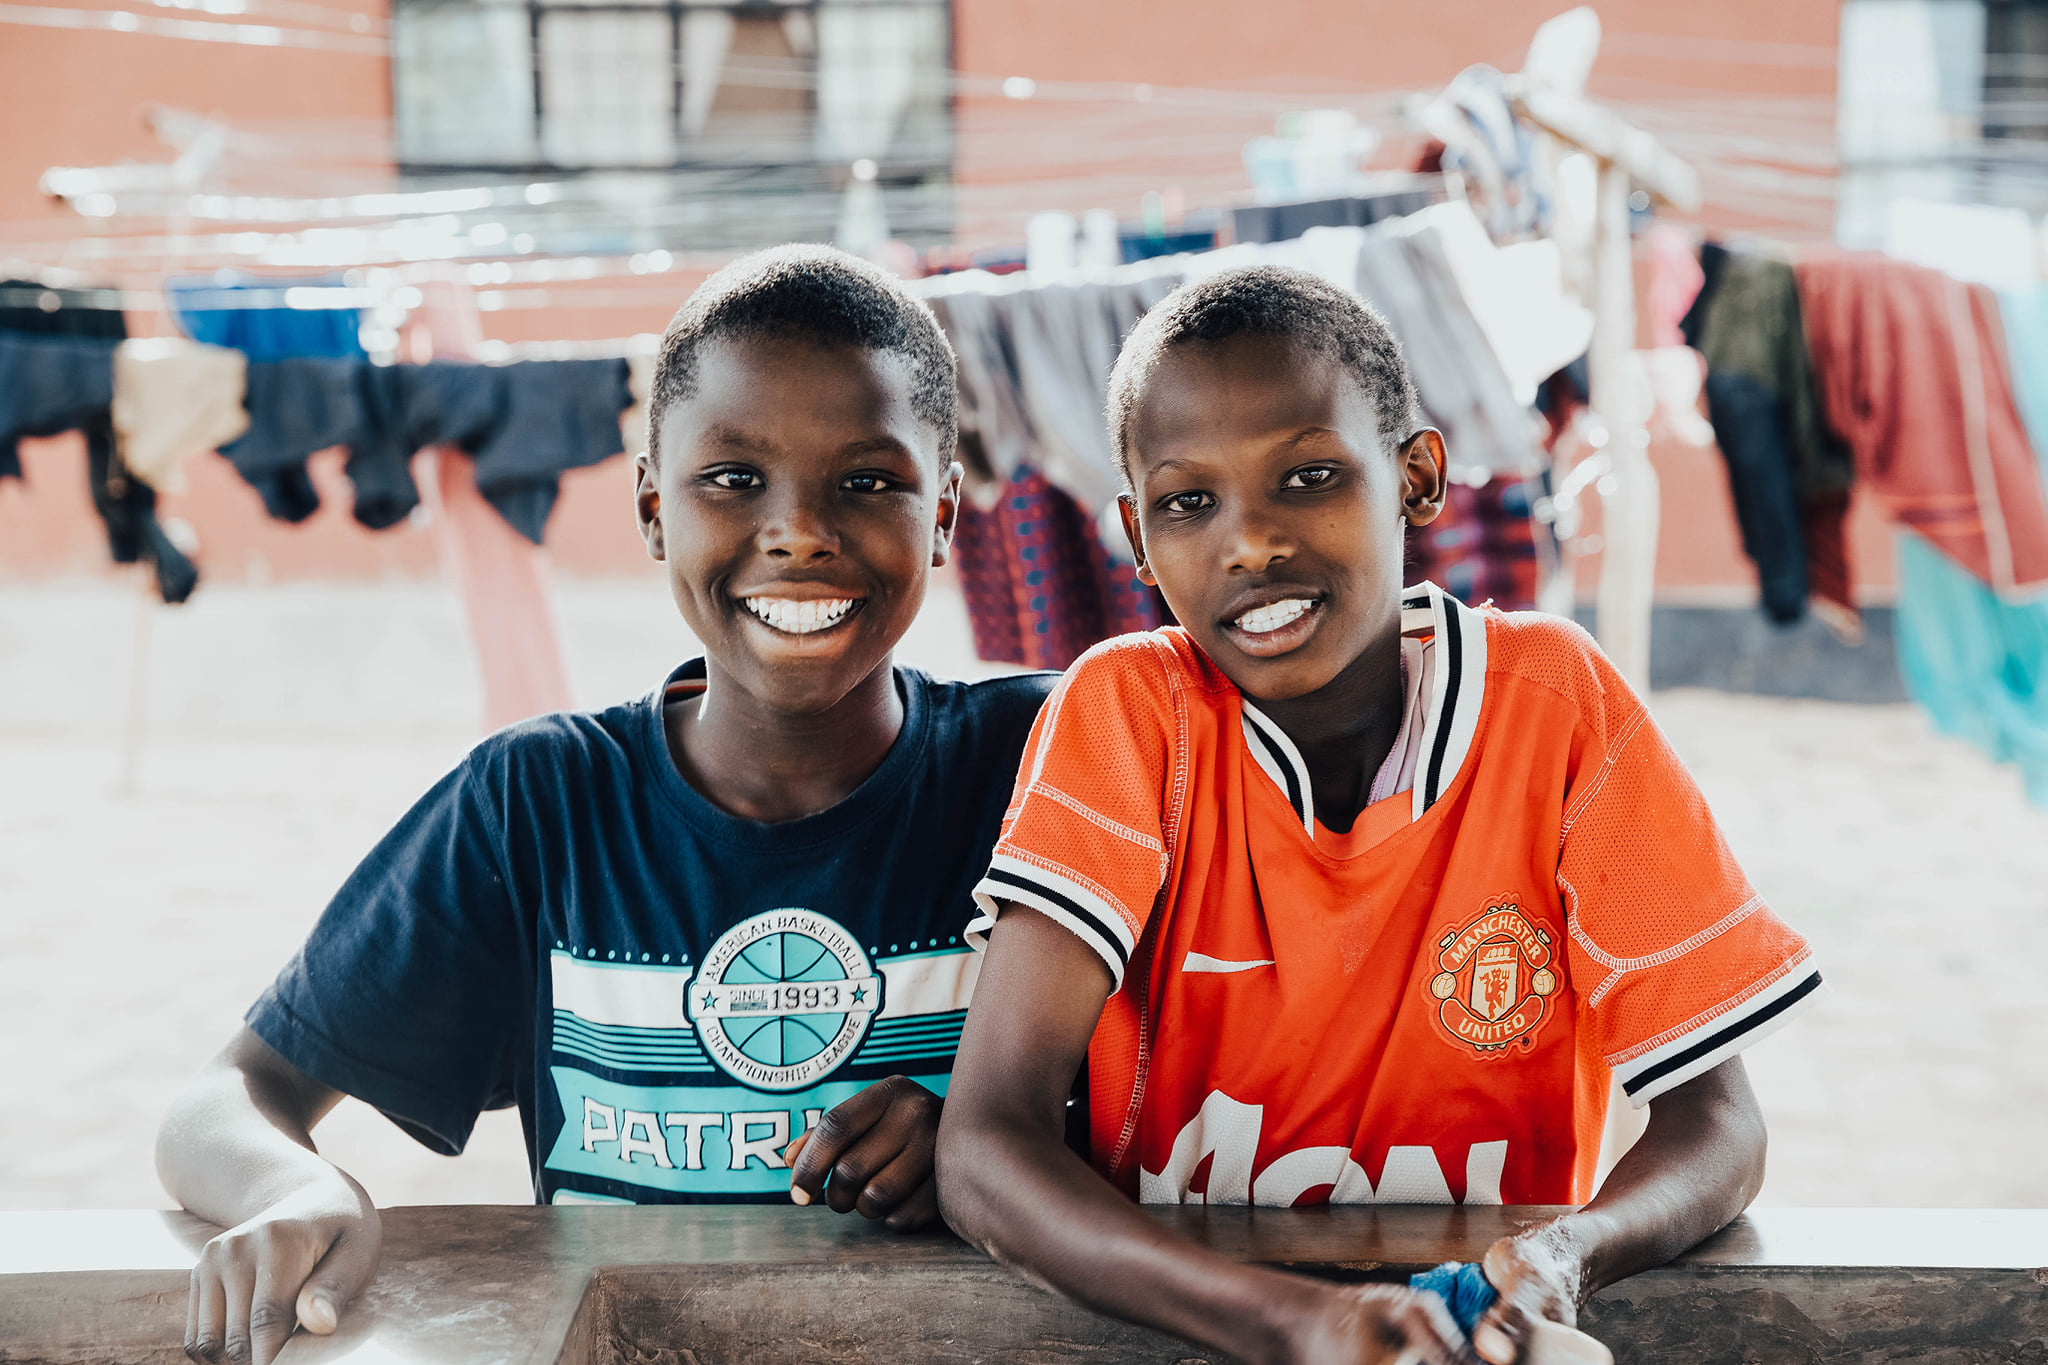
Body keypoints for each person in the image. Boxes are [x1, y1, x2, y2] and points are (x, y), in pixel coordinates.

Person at [157, 246, 1054, 1365]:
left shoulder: (1045, 769)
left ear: (944, 513)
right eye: (731, 479)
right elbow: (225, 1101)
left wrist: (985, 1141)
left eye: (867, 481)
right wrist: (293, 1192)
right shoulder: (538, 804)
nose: (798, 532)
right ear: (650, 509)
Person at [936, 266, 1823, 1365]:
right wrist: (1300, 1324)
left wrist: (1562, 1256)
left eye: (1306, 476)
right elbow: (983, 1148)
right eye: (1186, 502)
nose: (1248, 543)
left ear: (1414, 478)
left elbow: (1718, 1131)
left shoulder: (1552, 707)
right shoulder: (1128, 714)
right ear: (1135, 535)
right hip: (1180, 1334)